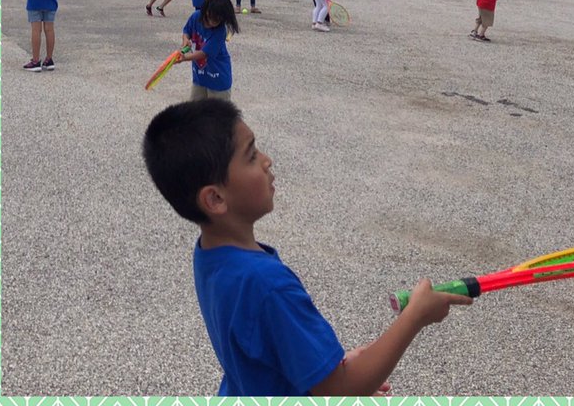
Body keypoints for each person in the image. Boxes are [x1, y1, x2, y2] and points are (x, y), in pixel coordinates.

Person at [143, 99, 469, 393]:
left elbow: (271, 350)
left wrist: (332, 367)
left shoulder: (210, 254)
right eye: (252, 155)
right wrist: (413, 319)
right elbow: (339, 391)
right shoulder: (267, 284)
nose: (267, 161)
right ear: (215, 198)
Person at [180, 0, 239, 100]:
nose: (215, 21)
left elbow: (204, 53)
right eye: (214, 17)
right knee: (194, 112)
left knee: (217, 115)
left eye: (220, 19)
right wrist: (185, 41)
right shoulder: (196, 16)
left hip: (218, 79)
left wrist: (184, 58)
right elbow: (186, 31)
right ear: (206, 11)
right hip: (200, 77)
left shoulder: (220, 31)